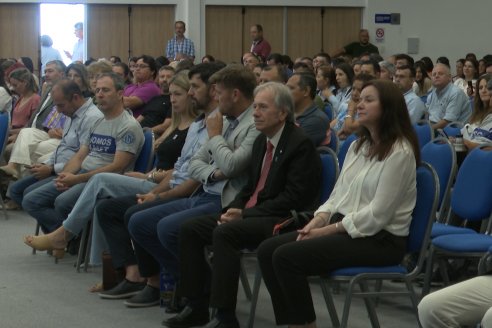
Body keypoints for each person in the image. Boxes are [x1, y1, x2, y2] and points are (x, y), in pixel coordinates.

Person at [257, 79, 420, 328]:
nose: (359, 105)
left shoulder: (400, 151)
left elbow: (378, 215)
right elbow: (338, 196)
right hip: (346, 229)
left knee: (287, 257)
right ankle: (292, 322)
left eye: (369, 100)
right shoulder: (358, 145)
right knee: (268, 250)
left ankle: (303, 325)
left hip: (381, 239)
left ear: (388, 107)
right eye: (359, 99)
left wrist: (325, 231)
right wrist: (317, 221)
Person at [162, 82, 322, 328]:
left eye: (263, 107)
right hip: (254, 214)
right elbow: (249, 188)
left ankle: (225, 316)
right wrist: (233, 209)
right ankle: (196, 305)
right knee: (190, 229)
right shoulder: (262, 141)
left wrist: (245, 214)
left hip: (283, 218)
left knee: (225, 233)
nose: (255, 112)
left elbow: (294, 198)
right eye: (255, 106)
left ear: (282, 114)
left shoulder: (299, 144)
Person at [94, 62, 224, 306]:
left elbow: (195, 178)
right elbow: (182, 169)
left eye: (181, 92)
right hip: (170, 185)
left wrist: (157, 195)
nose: (171, 99)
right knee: (108, 208)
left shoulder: (215, 126)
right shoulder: (196, 126)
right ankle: (137, 275)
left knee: (137, 213)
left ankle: (166, 282)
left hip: (191, 193)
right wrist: (154, 191)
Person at [22, 73, 144, 251]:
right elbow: (80, 155)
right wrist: (67, 175)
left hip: (104, 181)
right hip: (82, 175)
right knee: (32, 197)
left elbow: (117, 167)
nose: (100, 95)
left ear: (120, 93)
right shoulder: (98, 121)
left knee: (62, 202)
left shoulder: (129, 126)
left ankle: (69, 240)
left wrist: (76, 179)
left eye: (106, 90)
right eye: (97, 90)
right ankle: (71, 241)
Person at [6, 79, 102, 213]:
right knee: (17, 191)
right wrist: (47, 164)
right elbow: (62, 146)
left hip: (73, 172)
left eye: (61, 105)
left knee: (30, 199)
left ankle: (67, 231)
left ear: (75, 98)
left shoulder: (92, 117)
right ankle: (61, 227)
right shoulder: (71, 113)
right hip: (59, 168)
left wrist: (51, 169)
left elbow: (82, 157)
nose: (58, 111)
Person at [286, 72, 329, 146]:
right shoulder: (287, 113)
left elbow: (291, 148)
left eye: (291, 88)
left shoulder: (316, 120)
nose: (285, 92)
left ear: (306, 91)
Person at [426, 63, 471, 130]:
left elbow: (447, 122)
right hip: (436, 128)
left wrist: (427, 130)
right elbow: (427, 114)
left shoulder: (456, 93)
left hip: (453, 132)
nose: (436, 76)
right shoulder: (432, 93)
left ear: (449, 77)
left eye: (440, 74)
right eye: (434, 74)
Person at [123, 55, 161, 119]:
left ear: (152, 71)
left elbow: (126, 103)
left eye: (142, 66)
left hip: (137, 126)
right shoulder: (130, 86)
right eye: (136, 66)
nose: (137, 69)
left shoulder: (151, 88)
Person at [138, 65, 175, 131]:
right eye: (162, 77)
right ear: (158, 79)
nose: (164, 79)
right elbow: (139, 119)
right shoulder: (154, 99)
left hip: (153, 135)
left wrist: (144, 132)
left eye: (168, 77)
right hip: (139, 132)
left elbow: (166, 126)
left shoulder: (174, 100)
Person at [461, 74, 492, 149]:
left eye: (488, 88)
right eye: (480, 88)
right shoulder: (477, 113)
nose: (483, 91)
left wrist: (466, 143)